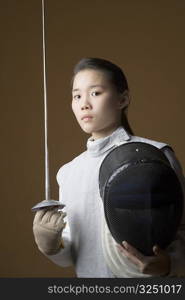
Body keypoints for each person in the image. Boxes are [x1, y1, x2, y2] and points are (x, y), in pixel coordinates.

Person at [33, 57, 185, 278]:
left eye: (95, 93)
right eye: (77, 96)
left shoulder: (155, 155)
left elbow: (181, 229)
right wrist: (51, 246)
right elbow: (72, 255)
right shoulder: (69, 172)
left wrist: (170, 264)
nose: (84, 103)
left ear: (122, 99)